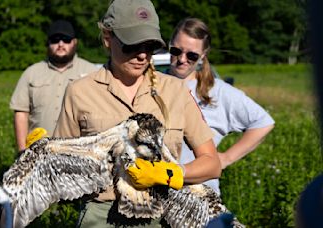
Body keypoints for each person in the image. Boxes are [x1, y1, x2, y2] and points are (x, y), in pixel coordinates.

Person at [53, 1, 221, 227]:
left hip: (166, 213)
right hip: (102, 216)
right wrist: (46, 152)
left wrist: (168, 173)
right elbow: (60, 173)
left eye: (150, 46)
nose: (142, 55)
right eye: (131, 45)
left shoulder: (175, 91)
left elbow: (212, 164)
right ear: (107, 39)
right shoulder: (79, 92)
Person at [167, 17, 275, 195]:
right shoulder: (152, 83)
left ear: (203, 55)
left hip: (198, 195)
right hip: (155, 193)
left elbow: (263, 122)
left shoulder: (218, 92)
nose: (181, 59)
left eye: (191, 55)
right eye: (176, 50)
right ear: (169, 45)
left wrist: (226, 158)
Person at [10, 19, 97, 151]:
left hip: (80, 153)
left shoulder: (92, 72)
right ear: (48, 43)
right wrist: (22, 151)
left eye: (66, 39)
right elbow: (21, 113)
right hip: (38, 151)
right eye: (55, 40)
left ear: (75, 42)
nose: (60, 44)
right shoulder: (31, 73)